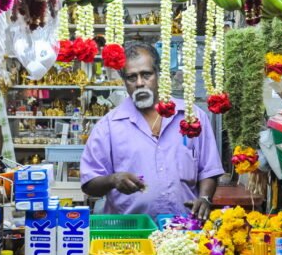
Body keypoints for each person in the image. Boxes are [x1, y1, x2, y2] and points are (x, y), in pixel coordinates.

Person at [80, 40, 224, 220]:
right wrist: (113, 180)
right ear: (124, 80)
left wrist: (204, 198)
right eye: (132, 77)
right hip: (130, 234)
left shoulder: (191, 117)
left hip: (184, 231)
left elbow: (209, 170)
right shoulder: (108, 126)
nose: (139, 83)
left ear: (159, 74)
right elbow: (89, 182)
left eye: (146, 74)